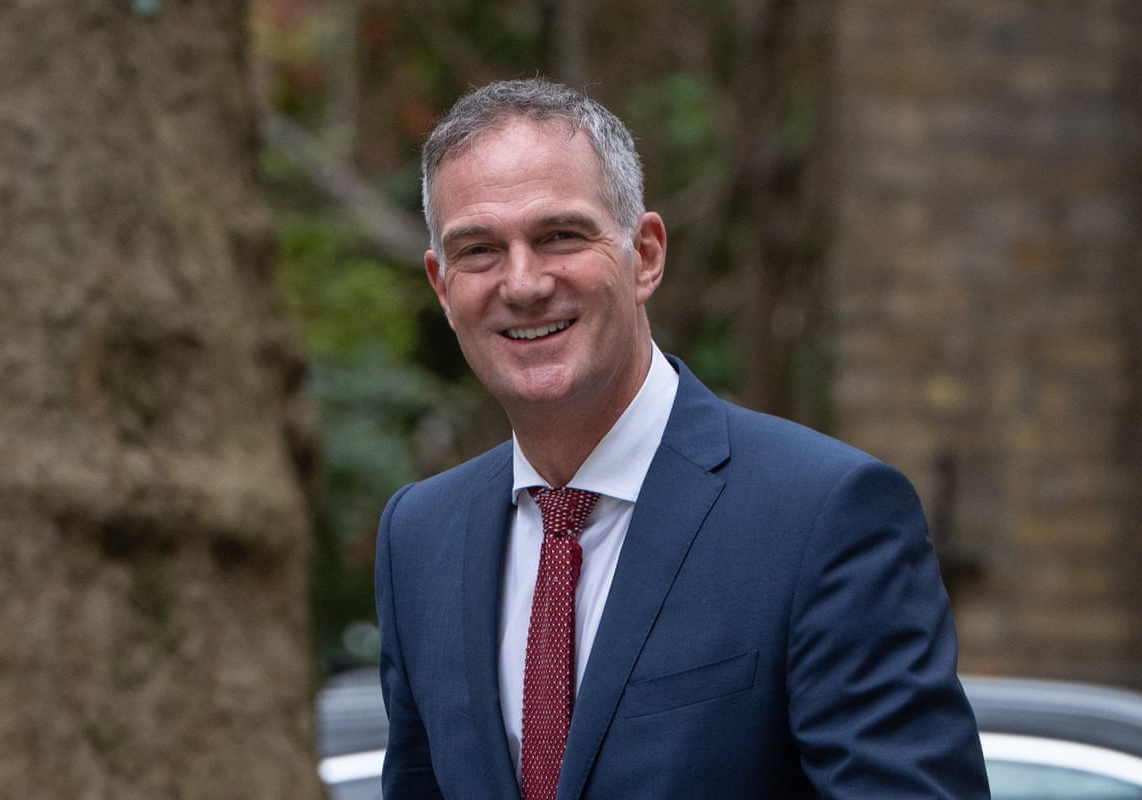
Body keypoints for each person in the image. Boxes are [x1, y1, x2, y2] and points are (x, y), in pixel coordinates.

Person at [375, 77, 989, 799]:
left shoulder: (823, 516)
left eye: (559, 236)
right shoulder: (419, 538)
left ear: (645, 255)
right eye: (478, 249)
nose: (524, 281)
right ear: (442, 287)